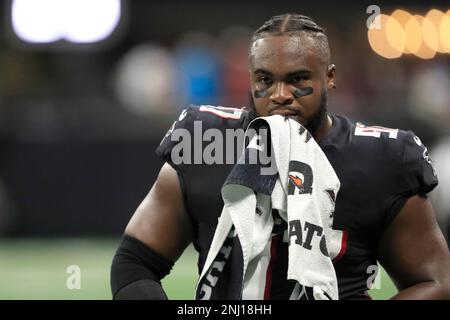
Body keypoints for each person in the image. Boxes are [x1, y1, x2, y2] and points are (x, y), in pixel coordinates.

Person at [110, 13, 450, 300]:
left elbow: (437, 282)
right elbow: (134, 264)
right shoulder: (204, 141)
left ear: (329, 78)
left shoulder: (381, 158)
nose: (280, 95)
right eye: (265, 80)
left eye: (297, 79)